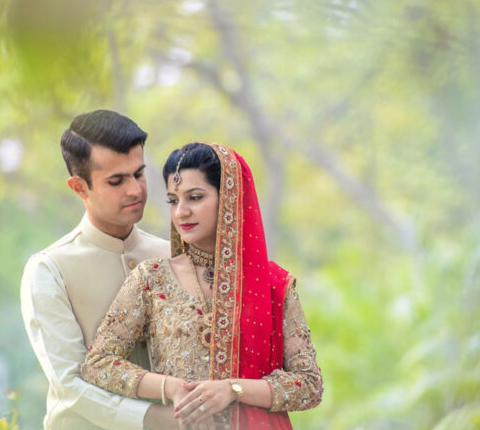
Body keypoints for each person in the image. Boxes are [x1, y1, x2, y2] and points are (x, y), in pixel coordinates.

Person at [81, 142, 322, 429]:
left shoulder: (272, 285)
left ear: (229, 199)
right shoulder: (151, 278)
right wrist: (170, 387)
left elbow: (309, 384)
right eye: (173, 200)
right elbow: (98, 363)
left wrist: (233, 389)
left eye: (194, 197)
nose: (181, 212)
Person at [20, 110, 179, 429]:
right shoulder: (50, 270)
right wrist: (162, 420)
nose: (135, 190)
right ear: (79, 187)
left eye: (139, 174)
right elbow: (71, 385)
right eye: (117, 181)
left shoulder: (174, 256)